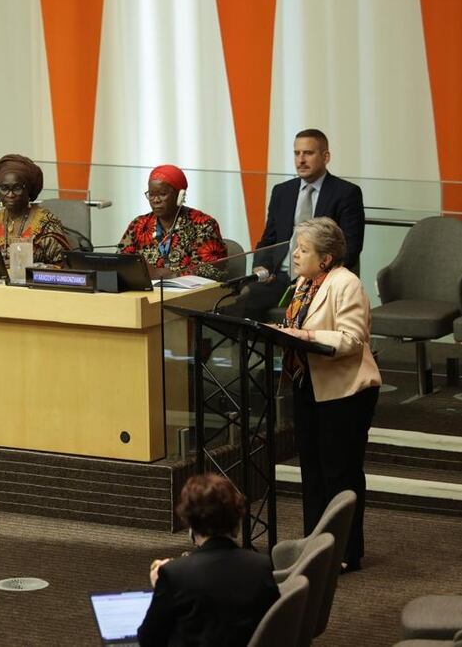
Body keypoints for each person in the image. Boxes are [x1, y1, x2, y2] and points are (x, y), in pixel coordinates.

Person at [279, 217, 381, 572]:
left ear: (325, 258)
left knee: (340, 473)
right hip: (308, 384)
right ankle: (315, 545)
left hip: (345, 392)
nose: (295, 254)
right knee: (313, 471)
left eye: (303, 249)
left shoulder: (346, 284)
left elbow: (352, 340)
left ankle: (345, 552)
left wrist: (305, 338)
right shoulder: (304, 284)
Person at [137, 474, 279, 647]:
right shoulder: (262, 565)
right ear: (236, 521)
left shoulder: (175, 574)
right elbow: (275, 628)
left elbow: (149, 639)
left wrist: (160, 588)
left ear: (190, 524)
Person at [242, 129, 365, 320]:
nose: (301, 160)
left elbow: (351, 247)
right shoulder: (282, 191)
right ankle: (245, 349)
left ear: (326, 157)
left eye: (308, 153)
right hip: (280, 278)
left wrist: (320, 273)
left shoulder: (346, 193)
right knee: (239, 298)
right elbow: (269, 239)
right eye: (297, 153)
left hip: (320, 278)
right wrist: (262, 268)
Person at [117, 164, 226, 281]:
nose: (156, 200)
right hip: (146, 294)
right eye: (151, 194)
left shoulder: (203, 224)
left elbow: (210, 270)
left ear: (180, 195)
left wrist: (161, 274)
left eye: (163, 194)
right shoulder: (139, 224)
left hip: (189, 296)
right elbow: (120, 263)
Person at [0, 154, 68, 266]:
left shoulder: (46, 224)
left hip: (35, 282)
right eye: (4, 188)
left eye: (17, 188)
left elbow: (64, 266)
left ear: (29, 191)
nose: (10, 194)